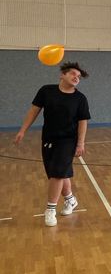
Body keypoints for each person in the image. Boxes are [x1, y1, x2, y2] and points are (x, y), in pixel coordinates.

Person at [14, 61, 91, 227]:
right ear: (62, 74)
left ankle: (50, 209)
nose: (76, 78)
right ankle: (70, 199)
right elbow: (34, 111)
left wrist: (80, 143)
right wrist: (22, 130)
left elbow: (83, 122)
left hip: (68, 141)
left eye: (78, 76)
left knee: (57, 174)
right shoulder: (46, 91)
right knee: (56, 173)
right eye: (73, 74)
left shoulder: (80, 99)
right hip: (48, 139)